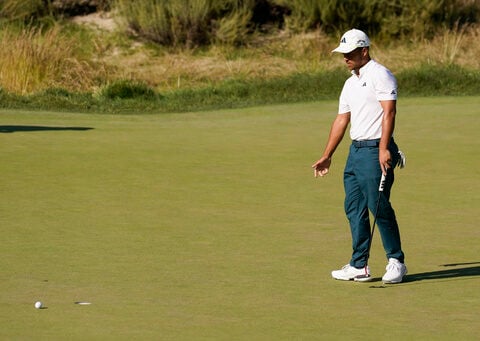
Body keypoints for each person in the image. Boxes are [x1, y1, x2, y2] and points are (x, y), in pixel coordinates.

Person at [311, 29, 407, 284]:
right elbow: (342, 119)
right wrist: (327, 155)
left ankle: (396, 261)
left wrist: (385, 148)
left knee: (379, 206)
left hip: (376, 149)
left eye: (349, 53)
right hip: (356, 152)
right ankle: (359, 265)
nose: (345, 58)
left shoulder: (381, 75)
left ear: (364, 50)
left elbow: (390, 113)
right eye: (343, 53)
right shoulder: (350, 82)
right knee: (353, 207)